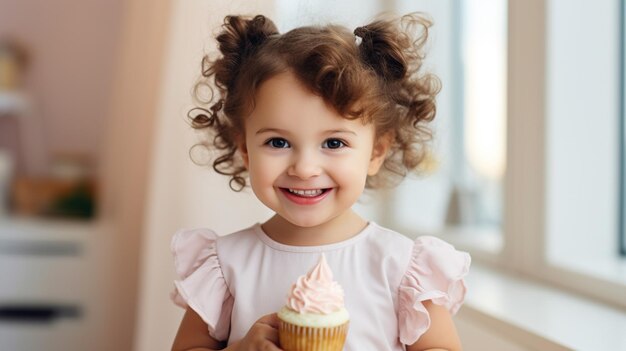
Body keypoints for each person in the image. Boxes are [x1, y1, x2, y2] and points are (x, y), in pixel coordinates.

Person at [170, 13, 470, 351]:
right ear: (245, 150)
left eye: (334, 143)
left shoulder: (401, 267)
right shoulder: (225, 265)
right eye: (278, 143)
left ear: (376, 151)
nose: (305, 168)